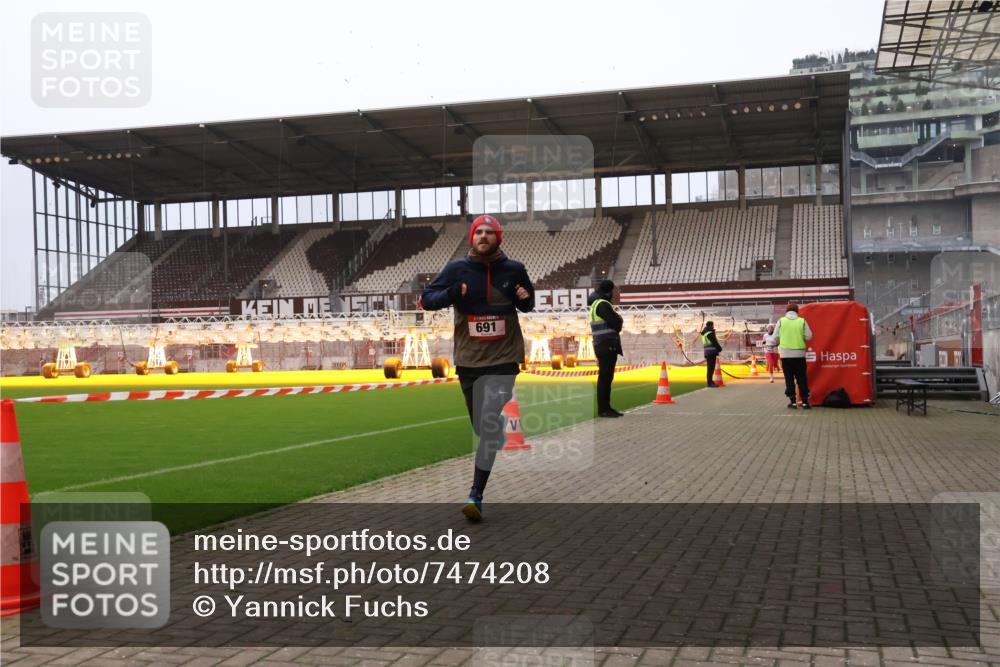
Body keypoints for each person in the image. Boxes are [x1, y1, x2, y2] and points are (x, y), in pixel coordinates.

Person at [421, 214, 534, 521]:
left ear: (499, 238)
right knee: (482, 428)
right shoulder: (456, 269)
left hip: (504, 357)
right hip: (469, 359)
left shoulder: (514, 269)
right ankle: (491, 436)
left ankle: (475, 494)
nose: (483, 236)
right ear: (472, 237)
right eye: (478, 232)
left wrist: (523, 297)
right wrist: (451, 294)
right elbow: (426, 299)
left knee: (487, 423)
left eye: (490, 232)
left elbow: (527, 303)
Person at [588, 279, 624, 417]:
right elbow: (616, 323)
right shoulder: (603, 305)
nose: (616, 293)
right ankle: (604, 409)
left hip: (602, 344)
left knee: (605, 377)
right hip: (606, 344)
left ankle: (605, 408)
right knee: (605, 378)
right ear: (609, 291)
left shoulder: (597, 304)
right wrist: (619, 319)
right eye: (614, 290)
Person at [772, 302, 813, 409]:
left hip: (786, 355)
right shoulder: (802, 321)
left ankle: (793, 401)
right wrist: (801, 336)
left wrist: (779, 341)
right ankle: (805, 402)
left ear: (787, 311)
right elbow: (809, 336)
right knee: (802, 378)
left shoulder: (781, 321)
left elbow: (775, 336)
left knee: (789, 378)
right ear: (797, 311)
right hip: (799, 355)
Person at [701, 321, 723, 387]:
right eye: (713, 325)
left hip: (707, 352)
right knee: (711, 368)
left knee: (710, 368)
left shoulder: (705, 333)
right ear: (711, 325)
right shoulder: (709, 333)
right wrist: (719, 349)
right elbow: (714, 342)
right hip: (711, 353)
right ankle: (710, 383)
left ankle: (710, 382)